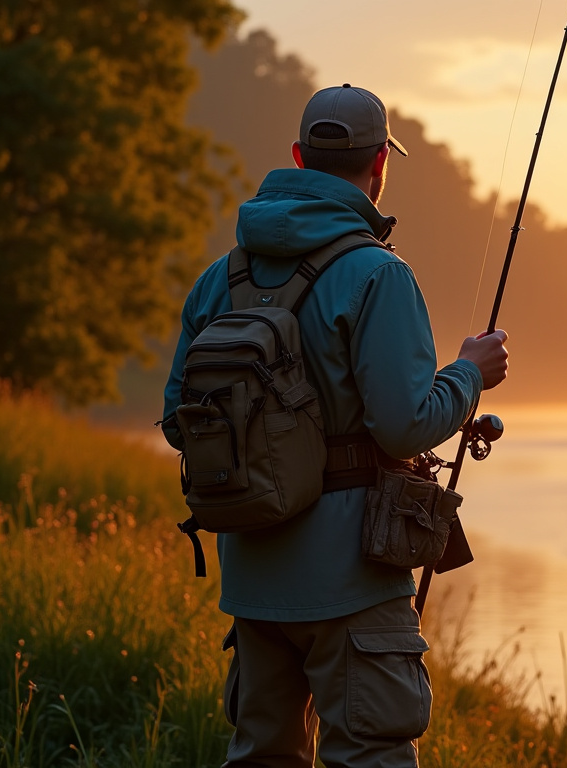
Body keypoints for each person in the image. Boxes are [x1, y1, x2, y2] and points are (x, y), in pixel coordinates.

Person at [160, 83, 508, 768]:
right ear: (380, 163)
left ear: (297, 156)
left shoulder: (218, 279)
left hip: (252, 579)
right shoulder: (378, 274)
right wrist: (469, 373)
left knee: (263, 758)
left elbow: (179, 423)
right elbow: (406, 427)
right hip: (354, 581)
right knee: (370, 756)